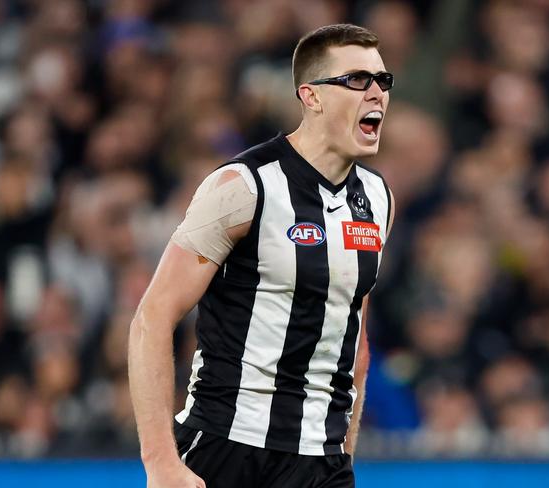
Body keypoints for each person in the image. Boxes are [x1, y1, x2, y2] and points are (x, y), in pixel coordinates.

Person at [128, 23, 395, 488]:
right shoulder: (242, 186)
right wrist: (160, 462)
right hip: (226, 450)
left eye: (383, 81)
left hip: (321, 464)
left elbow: (354, 334)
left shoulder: (377, 198)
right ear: (310, 97)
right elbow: (152, 316)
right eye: (357, 80)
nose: (376, 93)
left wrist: (343, 454)